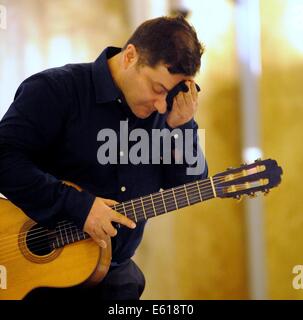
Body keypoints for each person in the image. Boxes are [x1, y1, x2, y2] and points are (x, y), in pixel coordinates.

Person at [0, 15, 208, 300]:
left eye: (169, 93)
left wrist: (184, 128)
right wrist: (79, 206)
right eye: (157, 88)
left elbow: (189, 186)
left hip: (115, 280)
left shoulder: (165, 115)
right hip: (34, 277)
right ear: (130, 56)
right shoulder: (55, 89)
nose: (161, 104)